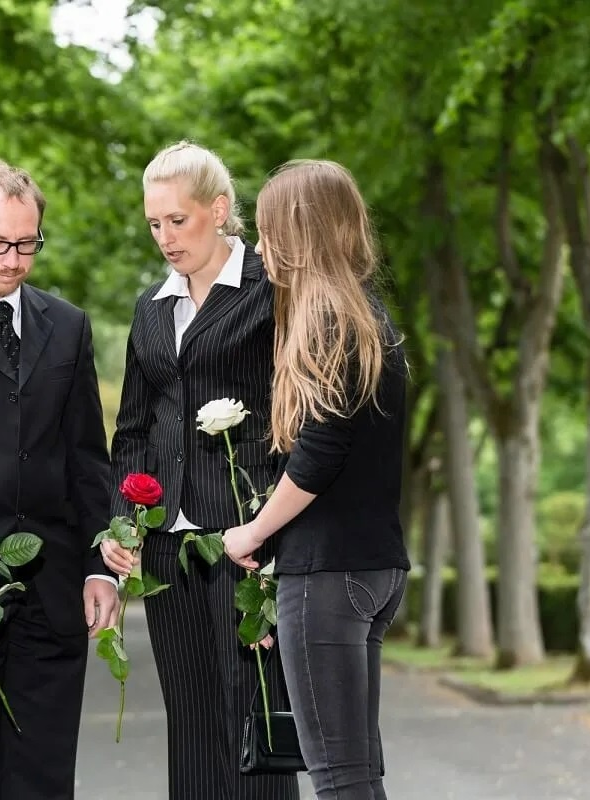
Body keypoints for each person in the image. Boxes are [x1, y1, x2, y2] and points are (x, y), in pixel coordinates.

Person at [102, 141, 299, 800]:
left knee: (252, 720)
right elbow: (132, 431)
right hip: (166, 549)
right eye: (153, 223)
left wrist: (275, 534)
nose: (164, 237)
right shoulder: (151, 309)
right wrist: (125, 528)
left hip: (246, 542)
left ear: (218, 210)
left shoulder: (274, 291)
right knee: (190, 721)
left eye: (176, 221)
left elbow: (297, 420)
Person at [0, 157, 117, 800]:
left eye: (27, 243)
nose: (13, 259)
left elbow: (88, 456)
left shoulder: (68, 326)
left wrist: (99, 566)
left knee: (43, 775)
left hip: (54, 590)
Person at [223, 159, 411, 800]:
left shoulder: (325, 320)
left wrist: (253, 532)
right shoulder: (368, 316)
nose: (260, 246)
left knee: (337, 779)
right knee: (355, 775)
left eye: (270, 230)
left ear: (300, 234)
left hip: (329, 576)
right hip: (373, 569)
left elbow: (320, 455)